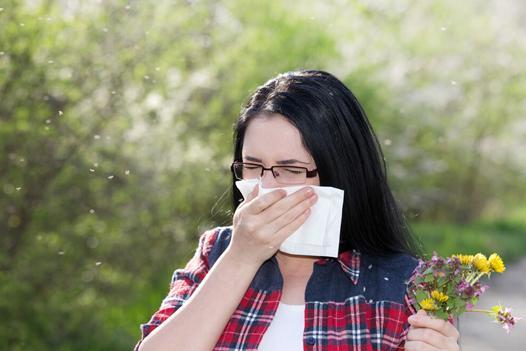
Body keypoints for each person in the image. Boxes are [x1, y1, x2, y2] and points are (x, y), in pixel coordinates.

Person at [134, 70, 461, 351]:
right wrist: (241, 257)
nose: (266, 188)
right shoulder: (217, 253)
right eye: (252, 166)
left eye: (290, 170)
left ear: (341, 173)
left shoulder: (409, 285)